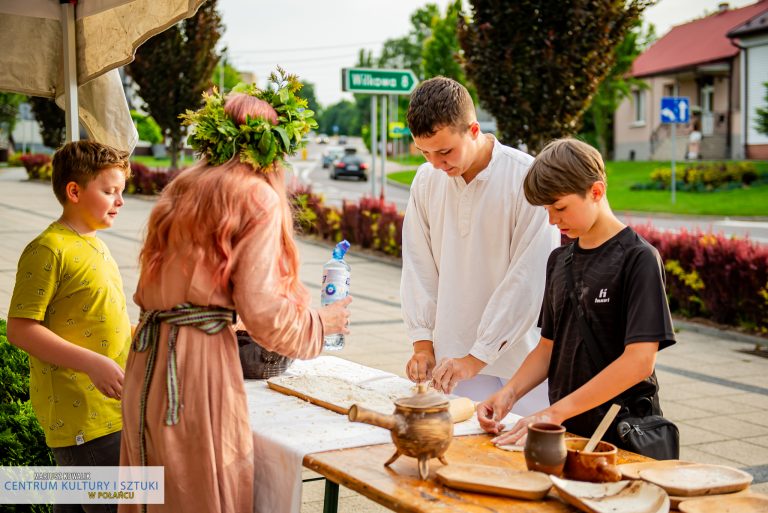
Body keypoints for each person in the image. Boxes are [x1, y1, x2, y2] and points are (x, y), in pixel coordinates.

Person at [118, 76, 351, 513]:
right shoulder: (257, 196)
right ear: (272, 145)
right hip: (193, 369)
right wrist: (323, 322)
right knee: (198, 490)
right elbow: (263, 311)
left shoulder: (184, 184)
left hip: (146, 360)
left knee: (151, 494)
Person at [477, 138, 676, 449]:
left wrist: (553, 412)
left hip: (622, 432)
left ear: (595, 192)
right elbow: (547, 349)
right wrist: (510, 393)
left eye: (560, 207)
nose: (553, 220)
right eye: (547, 209)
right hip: (569, 433)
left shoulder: (638, 259)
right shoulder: (559, 260)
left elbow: (640, 362)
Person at [401, 76, 560, 412]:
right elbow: (418, 266)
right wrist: (423, 343)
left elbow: (529, 277)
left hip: (523, 361)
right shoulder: (427, 179)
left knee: (523, 458)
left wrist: (479, 356)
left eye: (444, 151)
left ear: (474, 130)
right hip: (453, 361)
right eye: (425, 152)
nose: (436, 164)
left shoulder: (525, 177)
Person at [7, 141, 132, 513]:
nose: (119, 201)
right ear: (74, 191)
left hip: (110, 409)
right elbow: (21, 328)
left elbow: (101, 316)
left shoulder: (98, 246)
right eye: (109, 191)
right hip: (84, 420)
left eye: (121, 192)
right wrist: (93, 363)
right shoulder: (48, 249)